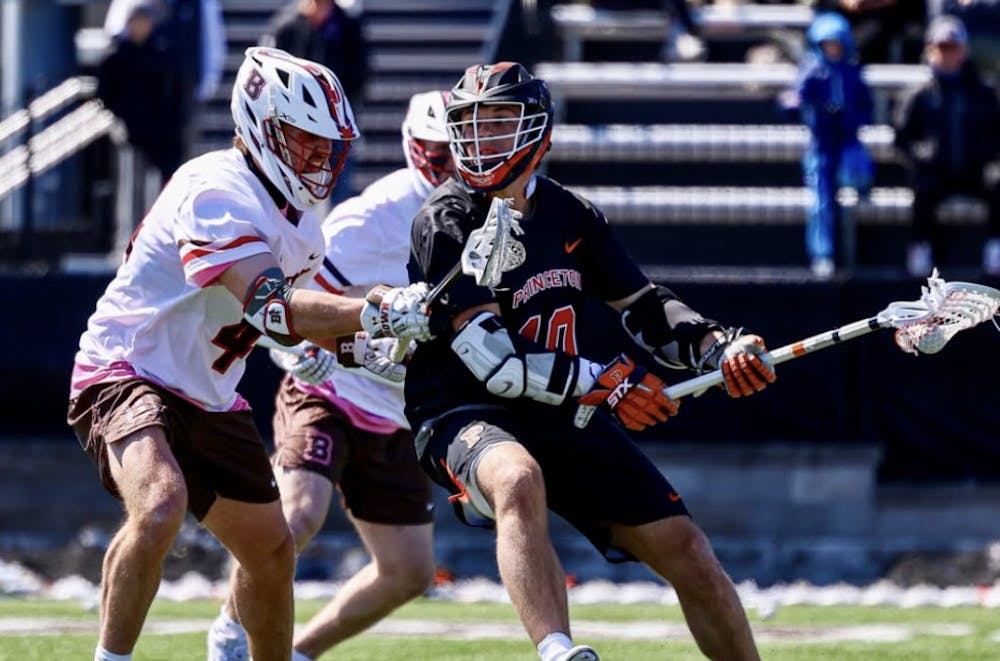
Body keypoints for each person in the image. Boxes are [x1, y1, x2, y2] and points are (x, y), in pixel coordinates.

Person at [402, 62, 776, 661]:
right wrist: (608, 384)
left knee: (692, 554)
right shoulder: (444, 221)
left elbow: (645, 306)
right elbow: (491, 361)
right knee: (516, 478)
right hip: (462, 407)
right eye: (471, 125)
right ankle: (559, 651)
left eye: (498, 124)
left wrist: (717, 345)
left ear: (538, 134)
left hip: (563, 408)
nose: (481, 141)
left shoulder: (571, 216)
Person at [67, 47, 430, 661]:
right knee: (160, 507)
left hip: (208, 392)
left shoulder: (303, 225)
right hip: (130, 369)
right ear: (261, 126)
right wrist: (382, 308)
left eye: (326, 146)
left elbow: (290, 329)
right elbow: (271, 304)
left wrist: (374, 351)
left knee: (270, 550)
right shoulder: (216, 187)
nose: (318, 158)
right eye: (303, 140)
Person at [207, 90, 454, 661]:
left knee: (409, 570)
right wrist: (299, 353)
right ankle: (230, 633)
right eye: (438, 153)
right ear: (414, 149)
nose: (452, 167)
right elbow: (286, 300)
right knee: (296, 517)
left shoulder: (487, 218)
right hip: (333, 389)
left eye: (459, 152)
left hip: (400, 411)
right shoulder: (373, 216)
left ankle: (298, 652)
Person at [893, 14, 1000, 277]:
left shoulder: (982, 89)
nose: (947, 55)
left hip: (974, 170)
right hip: (936, 171)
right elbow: (902, 137)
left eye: (953, 48)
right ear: (930, 50)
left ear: (964, 50)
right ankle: (921, 249)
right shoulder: (918, 92)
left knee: (999, 183)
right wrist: (922, 156)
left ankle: (995, 248)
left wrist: (989, 156)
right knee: (923, 190)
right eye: (942, 48)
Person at [780, 12, 874, 278]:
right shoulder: (811, 70)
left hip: (848, 142)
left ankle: (863, 188)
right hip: (821, 145)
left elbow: (866, 108)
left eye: (837, 43)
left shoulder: (852, 72)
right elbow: (793, 97)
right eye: (827, 44)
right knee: (821, 201)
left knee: (857, 170)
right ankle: (823, 255)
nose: (833, 49)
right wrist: (795, 104)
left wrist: (850, 119)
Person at [261, 0, 369, 208]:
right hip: (295, 121)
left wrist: (339, 103)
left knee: (337, 182)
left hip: (334, 120)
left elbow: (360, 70)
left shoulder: (346, 24)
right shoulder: (287, 23)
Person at [97, 0, 187, 182]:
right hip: (126, 135)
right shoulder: (115, 59)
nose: (140, 26)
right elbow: (105, 96)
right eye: (136, 21)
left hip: (158, 138)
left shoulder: (163, 58)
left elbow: (175, 96)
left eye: (144, 21)